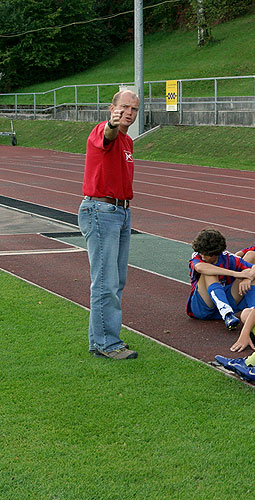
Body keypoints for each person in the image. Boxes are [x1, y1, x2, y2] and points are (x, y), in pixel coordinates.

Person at [78, 89, 140, 360]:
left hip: (120, 212)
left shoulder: (128, 142)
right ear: (112, 108)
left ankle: (101, 340)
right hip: (102, 210)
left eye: (134, 109)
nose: (129, 113)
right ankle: (107, 343)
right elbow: (108, 133)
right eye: (124, 107)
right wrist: (112, 124)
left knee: (115, 281)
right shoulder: (103, 131)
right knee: (106, 281)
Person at [186, 228, 255, 330]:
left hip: (227, 301)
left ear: (216, 253)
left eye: (207, 254)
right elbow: (200, 267)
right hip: (202, 308)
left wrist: (247, 278)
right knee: (209, 272)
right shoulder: (197, 257)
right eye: (201, 253)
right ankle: (227, 314)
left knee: (249, 275)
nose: (203, 256)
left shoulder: (228, 258)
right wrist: (235, 273)